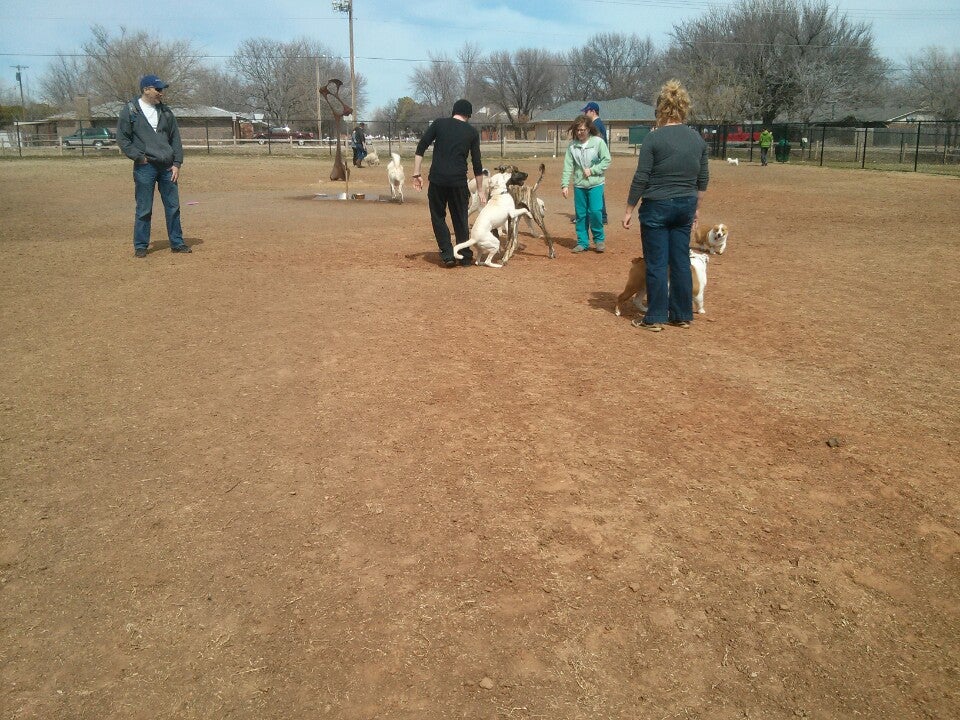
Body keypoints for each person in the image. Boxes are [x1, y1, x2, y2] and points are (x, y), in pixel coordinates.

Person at [622, 80, 708, 332]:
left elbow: (642, 177)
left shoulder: (653, 138)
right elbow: (702, 179)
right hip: (685, 205)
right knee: (680, 260)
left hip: (657, 206)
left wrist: (629, 209)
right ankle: (681, 314)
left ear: (660, 108)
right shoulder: (697, 139)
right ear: (684, 108)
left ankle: (656, 316)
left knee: (657, 262)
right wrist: (696, 208)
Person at [117, 74, 189, 257]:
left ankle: (177, 243)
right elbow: (123, 139)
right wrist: (139, 158)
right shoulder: (130, 111)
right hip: (145, 167)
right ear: (146, 90)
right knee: (144, 208)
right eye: (158, 89)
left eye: (161, 90)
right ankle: (141, 245)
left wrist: (177, 163)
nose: (161, 93)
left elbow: (175, 139)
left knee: (173, 207)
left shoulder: (166, 112)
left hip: (167, 167)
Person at [412, 99, 485, 268]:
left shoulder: (439, 124)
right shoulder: (472, 132)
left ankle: (447, 254)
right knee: (460, 218)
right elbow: (477, 164)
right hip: (458, 182)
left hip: (437, 180)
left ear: (453, 111)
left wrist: (416, 174)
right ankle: (465, 256)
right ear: (468, 115)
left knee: (438, 216)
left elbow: (421, 147)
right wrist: (480, 190)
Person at [561, 115, 611, 253]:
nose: (580, 133)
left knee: (595, 211)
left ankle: (599, 239)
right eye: (577, 130)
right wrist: (564, 185)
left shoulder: (598, 142)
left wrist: (593, 170)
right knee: (581, 214)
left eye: (582, 130)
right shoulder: (572, 146)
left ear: (589, 129)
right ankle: (582, 242)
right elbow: (568, 166)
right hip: (579, 185)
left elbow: (606, 160)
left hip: (596, 183)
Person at [581, 102, 609, 224]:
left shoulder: (596, 125)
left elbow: (598, 145)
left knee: (594, 187)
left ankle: (601, 216)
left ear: (593, 111)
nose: (585, 114)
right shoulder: (597, 124)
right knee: (595, 187)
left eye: (586, 111)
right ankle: (600, 215)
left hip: (596, 162)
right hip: (596, 161)